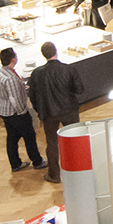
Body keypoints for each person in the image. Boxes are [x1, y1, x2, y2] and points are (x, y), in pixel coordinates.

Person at [29, 42, 84, 184]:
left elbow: (32, 95)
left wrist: (39, 110)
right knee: (74, 140)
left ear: (43, 55)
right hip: (69, 110)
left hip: (48, 112)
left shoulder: (37, 73)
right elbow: (79, 90)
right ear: (56, 51)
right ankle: (78, 169)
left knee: (52, 143)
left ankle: (54, 175)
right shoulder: (68, 69)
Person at [0, 47, 46, 172]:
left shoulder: (0, 72)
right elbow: (14, 98)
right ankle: (37, 161)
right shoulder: (11, 78)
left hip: (4, 110)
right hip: (15, 113)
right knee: (29, 136)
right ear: (13, 59)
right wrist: (22, 111)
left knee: (12, 137)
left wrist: (21, 86)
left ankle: (15, 163)